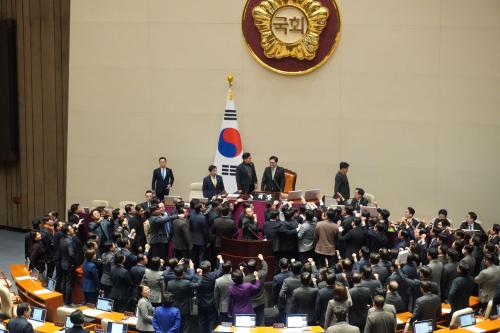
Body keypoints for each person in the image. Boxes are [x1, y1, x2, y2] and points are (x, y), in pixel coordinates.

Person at [167, 262, 201, 333]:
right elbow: (198, 284)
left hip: (174, 306)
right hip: (185, 307)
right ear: (183, 273)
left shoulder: (169, 283)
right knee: (185, 326)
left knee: (175, 325)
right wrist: (200, 275)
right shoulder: (187, 283)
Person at [59, 224, 76, 306]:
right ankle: (67, 301)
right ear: (68, 232)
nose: (73, 229)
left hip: (63, 263)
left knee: (63, 281)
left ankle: (63, 299)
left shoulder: (62, 238)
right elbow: (71, 254)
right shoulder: (70, 241)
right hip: (69, 264)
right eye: (71, 228)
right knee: (69, 283)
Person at [189, 202, 209, 267]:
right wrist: (208, 241)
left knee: (194, 257)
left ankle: (193, 269)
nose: (204, 207)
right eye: (203, 206)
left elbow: (190, 228)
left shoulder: (192, 216)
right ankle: (201, 271)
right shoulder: (203, 218)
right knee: (201, 257)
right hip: (202, 241)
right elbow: (205, 231)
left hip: (193, 240)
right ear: (200, 209)